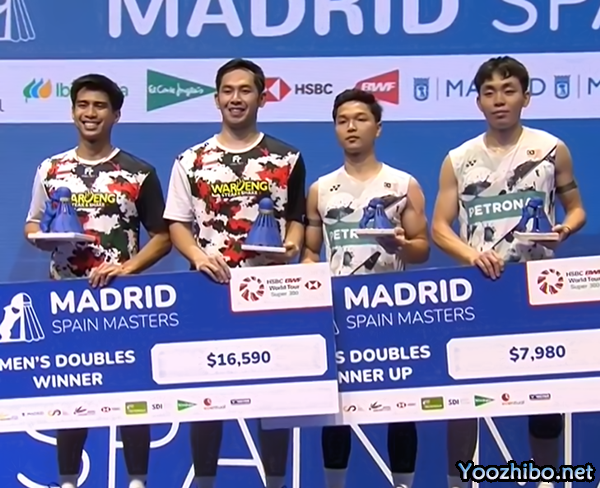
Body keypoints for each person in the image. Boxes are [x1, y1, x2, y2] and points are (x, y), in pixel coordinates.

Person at [431, 56, 586, 488]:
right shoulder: (458, 159)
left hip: (537, 290)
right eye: (489, 92)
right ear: (478, 102)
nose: (499, 100)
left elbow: (576, 210)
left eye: (509, 90)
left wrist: (564, 230)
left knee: (544, 395)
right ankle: (459, 482)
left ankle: (546, 481)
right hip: (479, 289)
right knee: (464, 397)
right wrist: (471, 256)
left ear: (526, 97)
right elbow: (439, 227)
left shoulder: (551, 149)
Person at [163, 58, 306, 488]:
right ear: (216, 99)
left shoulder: (287, 157)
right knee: (207, 397)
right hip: (209, 292)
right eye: (228, 90)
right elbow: (177, 223)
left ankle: (275, 482)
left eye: (245, 90)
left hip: (270, 292)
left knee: (273, 396)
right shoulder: (191, 160)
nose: (235, 98)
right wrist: (198, 256)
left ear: (262, 98)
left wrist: (291, 246)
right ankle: (205, 481)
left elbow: (296, 218)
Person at [24, 74, 172, 488]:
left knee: (133, 395)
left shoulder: (138, 172)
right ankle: (68, 481)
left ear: (116, 115)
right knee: (73, 395)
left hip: (123, 304)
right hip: (67, 304)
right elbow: (32, 224)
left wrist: (126, 269)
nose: (90, 113)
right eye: (83, 105)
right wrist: (41, 239)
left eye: (100, 106)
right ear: (73, 112)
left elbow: (163, 237)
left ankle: (137, 481)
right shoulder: (51, 169)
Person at [302, 88, 430, 488]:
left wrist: (401, 246)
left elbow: (423, 248)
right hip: (338, 314)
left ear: (378, 127)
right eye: (342, 121)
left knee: (401, 405)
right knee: (337, 409)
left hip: (391, 312)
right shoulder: (320, 189)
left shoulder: (403, 184)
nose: (351, 127)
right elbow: (310, 251)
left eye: (360, 119)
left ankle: (403, 483)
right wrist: (309, 272)